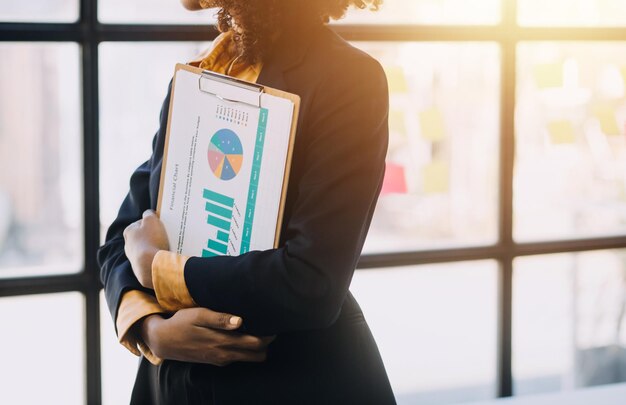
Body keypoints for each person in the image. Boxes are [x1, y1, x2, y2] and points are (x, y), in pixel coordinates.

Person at [97, 0, 395, 403]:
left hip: (295, 383)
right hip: (173, 388)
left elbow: (311, 280)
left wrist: (158, 269)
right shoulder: (198, 76)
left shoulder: (349, 80)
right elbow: (123, 235)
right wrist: (150, 329)